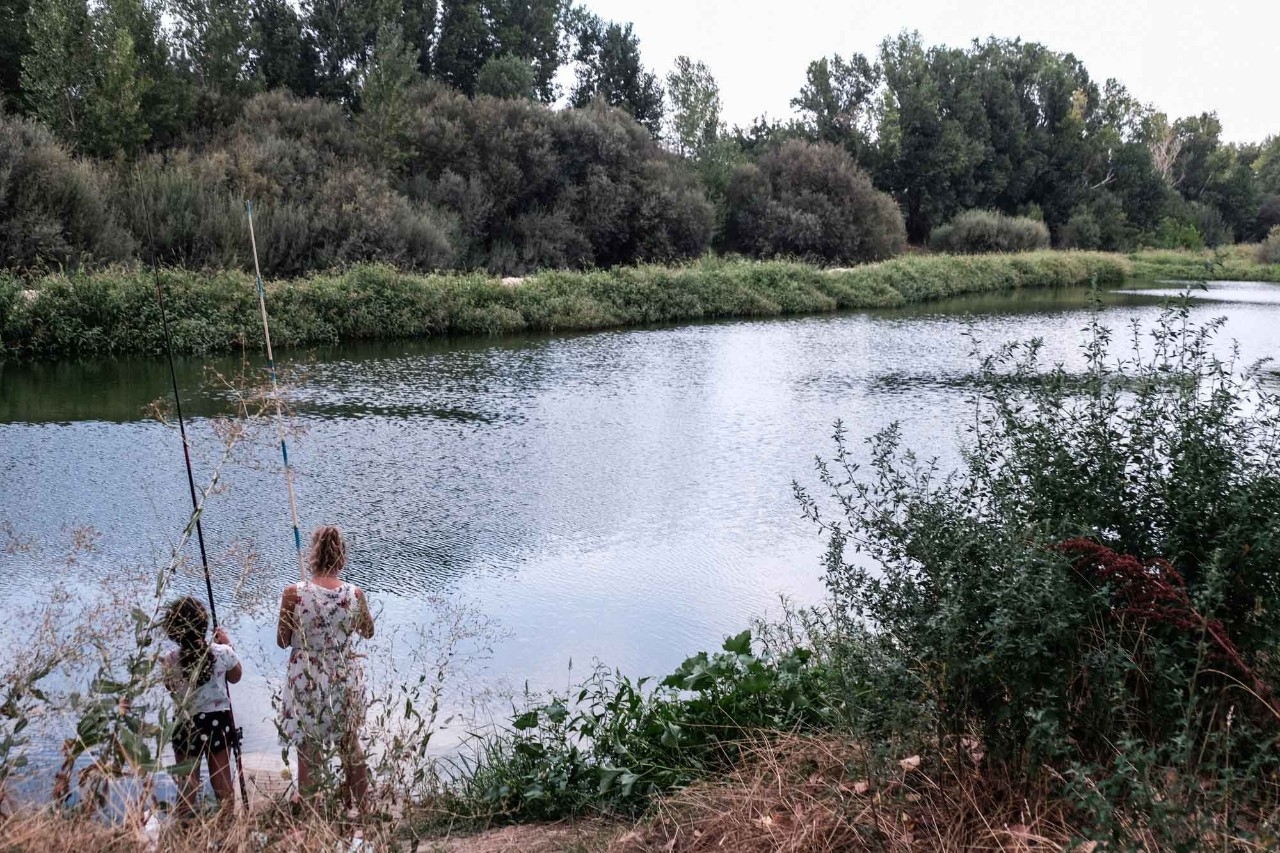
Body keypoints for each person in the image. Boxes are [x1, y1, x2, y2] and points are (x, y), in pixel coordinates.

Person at [277, 525, 375, 809]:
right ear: (341, 558)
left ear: (313, 557)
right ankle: (364, 805)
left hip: (306, 677)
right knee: (349, 742)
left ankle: (313, 811)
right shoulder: (354, 594)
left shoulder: (292, 593)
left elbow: (283, 640)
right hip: (342, 674)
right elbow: (368, 631)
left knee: (308, 748)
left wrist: (301, 621)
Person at [161, 596, 242, 816]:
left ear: (173, 630)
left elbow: (170, 689)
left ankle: (185, 830)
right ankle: (227, 830)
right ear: (204, 625)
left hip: (185, 724)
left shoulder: (169, 660)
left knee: (187, 784)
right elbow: (236, 677)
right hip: (218, 723)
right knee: (222, 782)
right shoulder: (222, 652)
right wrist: (228, 645)